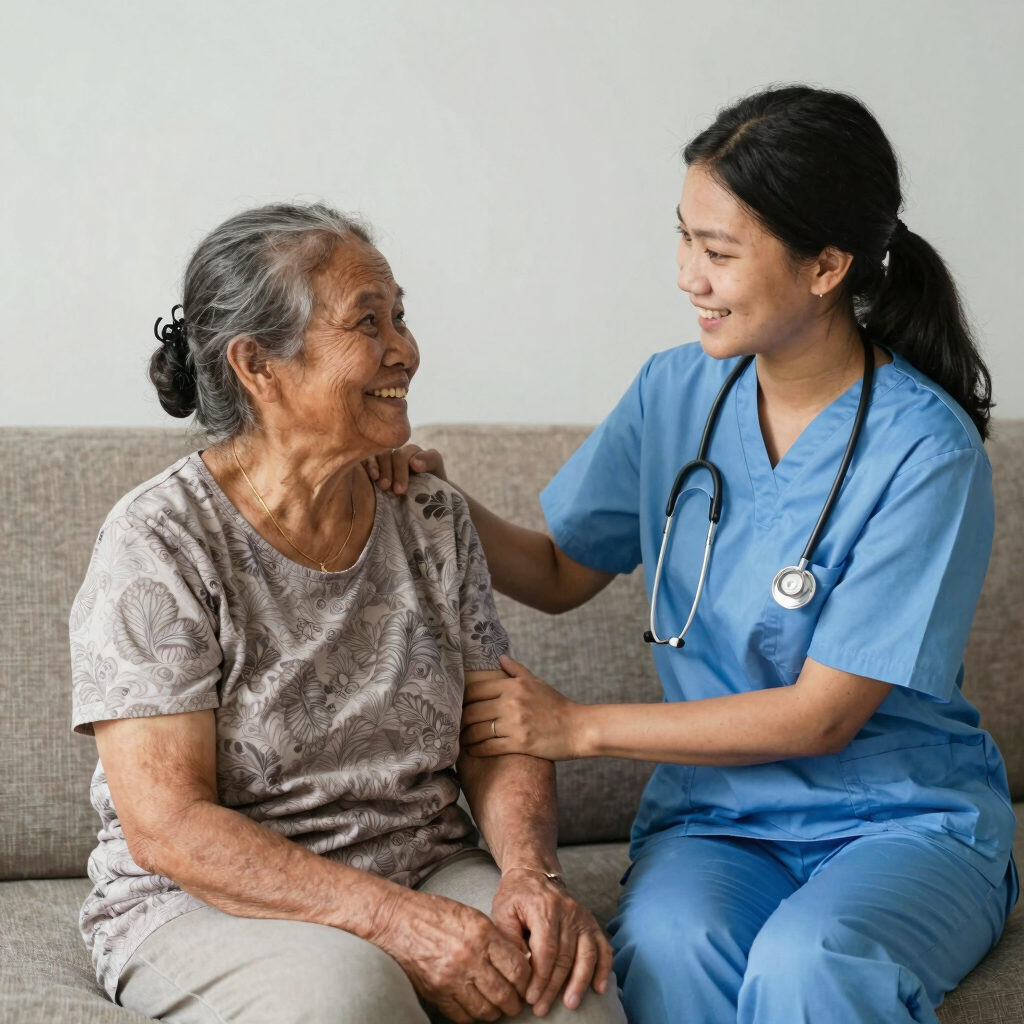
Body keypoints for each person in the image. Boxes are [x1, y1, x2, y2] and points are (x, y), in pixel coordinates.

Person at [371, 87, 1018, 1024]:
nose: (687, 275)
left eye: (718, 253)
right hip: (721, 823)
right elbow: (558, 571)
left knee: (812, 963)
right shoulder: (676, 393)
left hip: (902, 823)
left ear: (827, 266)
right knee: (669, 951)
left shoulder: (926, 452)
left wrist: (577, 726)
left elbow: (823, 718)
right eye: (685, 238)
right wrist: (431, 494)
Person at [69, 203, 625, 1024]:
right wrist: (396, 925)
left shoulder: (429, 513)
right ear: (259, 365)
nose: (405, 349)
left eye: (400, 316)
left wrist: (529, 876)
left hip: (422, 862)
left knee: (567, 997)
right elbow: (170, 828)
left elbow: (496, 729)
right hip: (206, 901)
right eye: (369, 322)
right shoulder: (160, 541)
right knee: (349, 997)